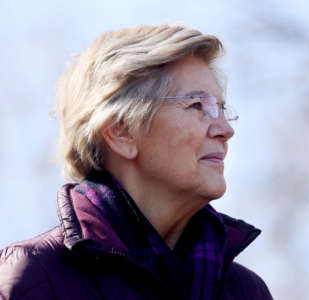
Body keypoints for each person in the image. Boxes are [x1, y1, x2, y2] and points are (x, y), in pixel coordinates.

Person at [0, 25, 273, 299]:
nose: (225, 129)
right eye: (197, 106)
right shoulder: (35, 279)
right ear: (122, 132)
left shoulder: (246, 292)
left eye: (221, 109)